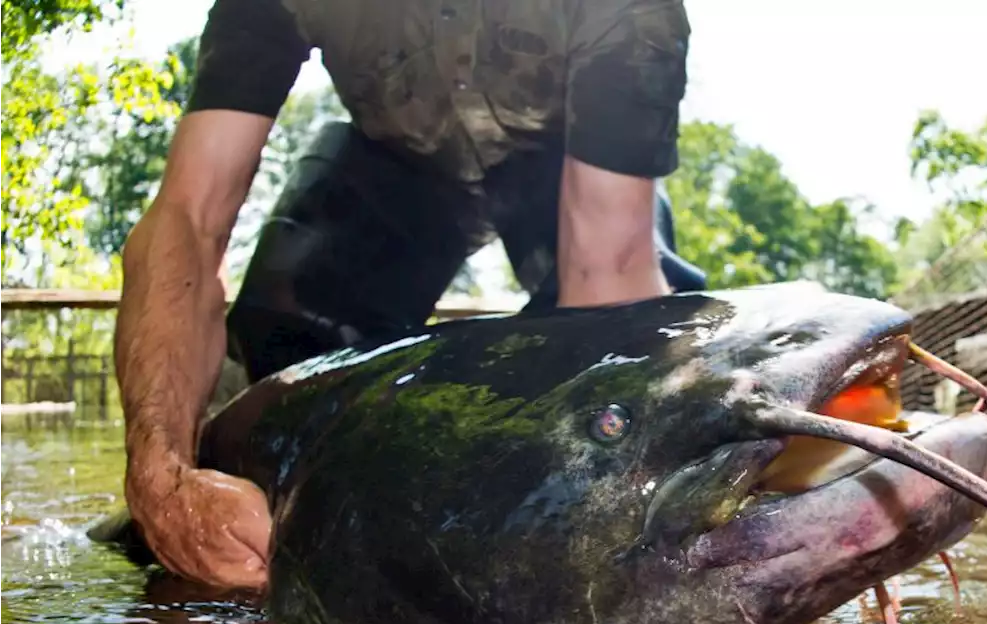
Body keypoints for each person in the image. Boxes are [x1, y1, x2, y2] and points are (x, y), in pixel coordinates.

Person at [113, 0, 705, 592]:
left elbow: (607, 270)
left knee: (631, 364)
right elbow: (188, 219)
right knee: (279, 350)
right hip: (393, 174)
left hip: (561, 174)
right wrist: (158, 477)